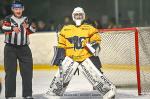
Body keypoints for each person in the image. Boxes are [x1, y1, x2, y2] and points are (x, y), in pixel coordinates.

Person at [46, 7, 116, 99]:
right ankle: (54, 93)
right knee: (61, 75)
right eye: (76, 15)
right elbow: (61, 44)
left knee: (96, 75)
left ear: (83, 16)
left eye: (80, 14)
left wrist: (92, 46)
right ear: (73, 16)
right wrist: (60, 56)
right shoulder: (66, 29)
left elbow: (96, 40)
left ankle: (108, 91)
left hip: (85, 57)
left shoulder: (90, 28)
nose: (78, 16)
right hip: (71, 58)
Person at [2, 1, 36, 99]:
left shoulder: (26, 19)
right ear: (12, 9)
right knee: (10, 73)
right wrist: (12, 28)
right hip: (10, 48)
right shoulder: (8, 18)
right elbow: (4, 28)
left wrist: (28, 27)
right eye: (16, 9)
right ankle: (10, 95)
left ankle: (27, 94)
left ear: (23, 9)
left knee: (27, 72)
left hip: (24, 49)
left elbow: (32, 30)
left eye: (20, 8)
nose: (18, 10)